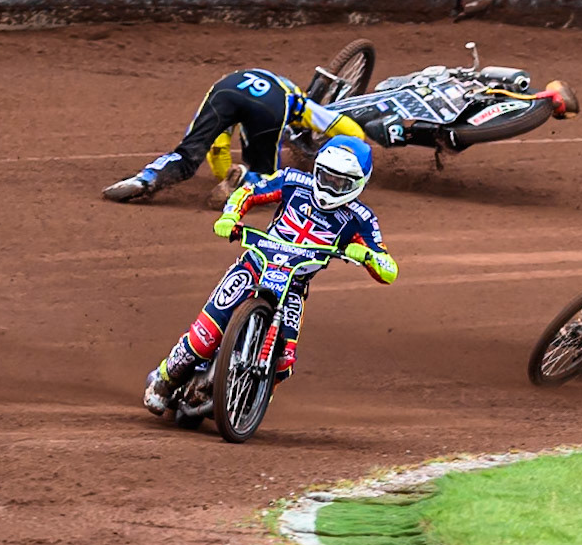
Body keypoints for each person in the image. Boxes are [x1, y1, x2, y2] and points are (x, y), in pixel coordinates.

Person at [143, 135, 398, 414]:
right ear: (316, 169)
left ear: (358, 184)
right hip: (254, 266)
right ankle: (165, 379)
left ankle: (252, 401)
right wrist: (230, 216)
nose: (330, 186)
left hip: (294, 285)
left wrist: (370, 256)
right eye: (325, 177)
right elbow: (248, 192)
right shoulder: (292, 181)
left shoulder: (361, 219)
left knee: (284, 360)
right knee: (205, 335)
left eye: (340, 183)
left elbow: (389, 269)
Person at [102, 68, 365, 206]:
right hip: (270, 105)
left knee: (187, 154)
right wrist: (354, 152)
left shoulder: (234, 79)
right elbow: (347, 128)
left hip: (225, 89)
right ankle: (248, 180)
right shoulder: (295, 101)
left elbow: (218, 149)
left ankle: (146, 178)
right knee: (267, 176)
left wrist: (223, 172)